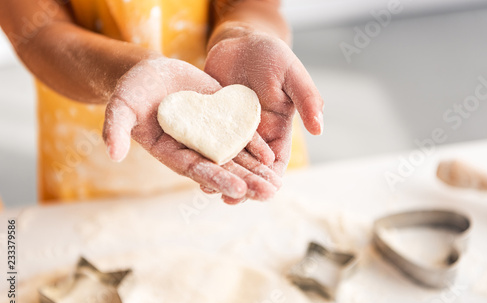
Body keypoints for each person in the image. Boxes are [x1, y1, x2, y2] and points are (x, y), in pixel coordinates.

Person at [0, 0, 324, 205]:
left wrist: (244, 33)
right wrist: (124, 72)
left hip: (250, 126)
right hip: (90, 149)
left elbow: (257, 6)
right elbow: (37, 30)